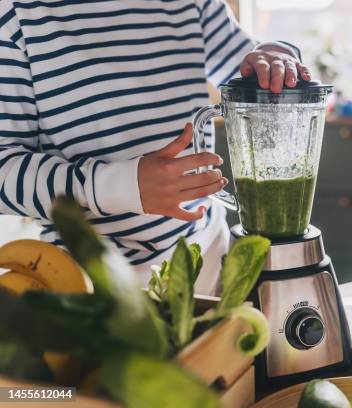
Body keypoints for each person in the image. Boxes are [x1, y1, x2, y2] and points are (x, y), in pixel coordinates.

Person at [0, 0, 310, 293]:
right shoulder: (15, 15)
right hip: (88, 279)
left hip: (209, 259)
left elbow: (249, 69)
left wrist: (272, 56)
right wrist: (116, 186)